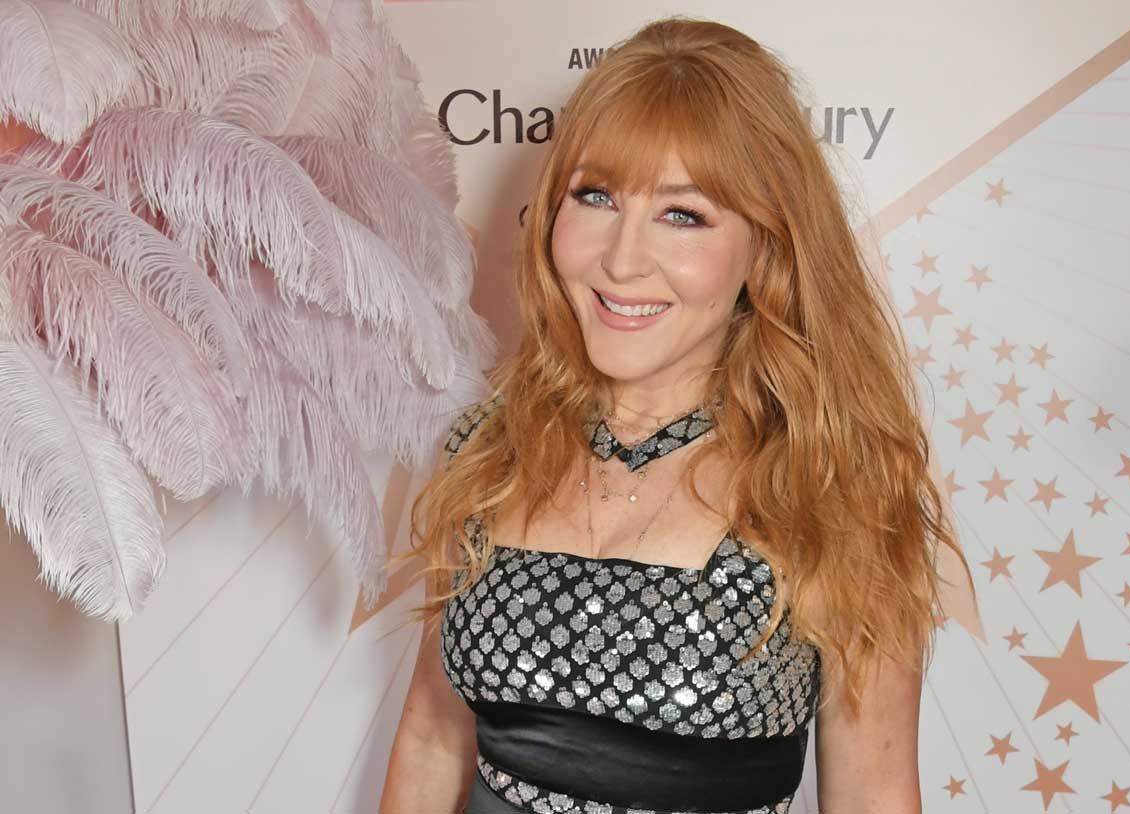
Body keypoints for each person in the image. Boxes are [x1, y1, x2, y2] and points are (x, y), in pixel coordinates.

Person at [379, 15, 967, 814]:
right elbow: (432, 738)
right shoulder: (488, 450)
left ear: (766, 247)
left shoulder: (831, 486)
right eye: (595, 196)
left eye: (682, 214)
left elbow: (874, 795)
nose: (622, 260)